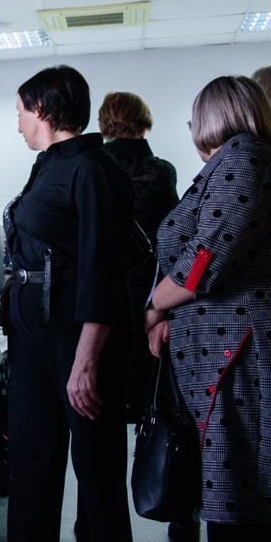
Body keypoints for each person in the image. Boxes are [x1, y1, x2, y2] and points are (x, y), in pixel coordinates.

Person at [144, 76, 271, 542]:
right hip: (229, 354)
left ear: (211, 117)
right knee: (241, 488)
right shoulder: (237, 161)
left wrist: (155, 307)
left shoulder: (247, 157)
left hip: (242, 356)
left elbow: (205, 259)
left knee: (243, 487)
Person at [2, 65, 136, 542]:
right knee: (31, 466)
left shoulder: (93, 168)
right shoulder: (48, 165)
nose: (17, 123)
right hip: (35, 336)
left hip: (77, 336)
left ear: (42, 108)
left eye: (19, 112)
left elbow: (103, 269)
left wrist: (86, 360)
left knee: (97, 473)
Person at [97, 93, 181, 418]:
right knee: (147, 404)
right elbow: (171, 240)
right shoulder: (159, 171)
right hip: (147, 298)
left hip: (98, 297)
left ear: (104, 124)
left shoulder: (92, 168)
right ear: (143, 122)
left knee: (101, 406)